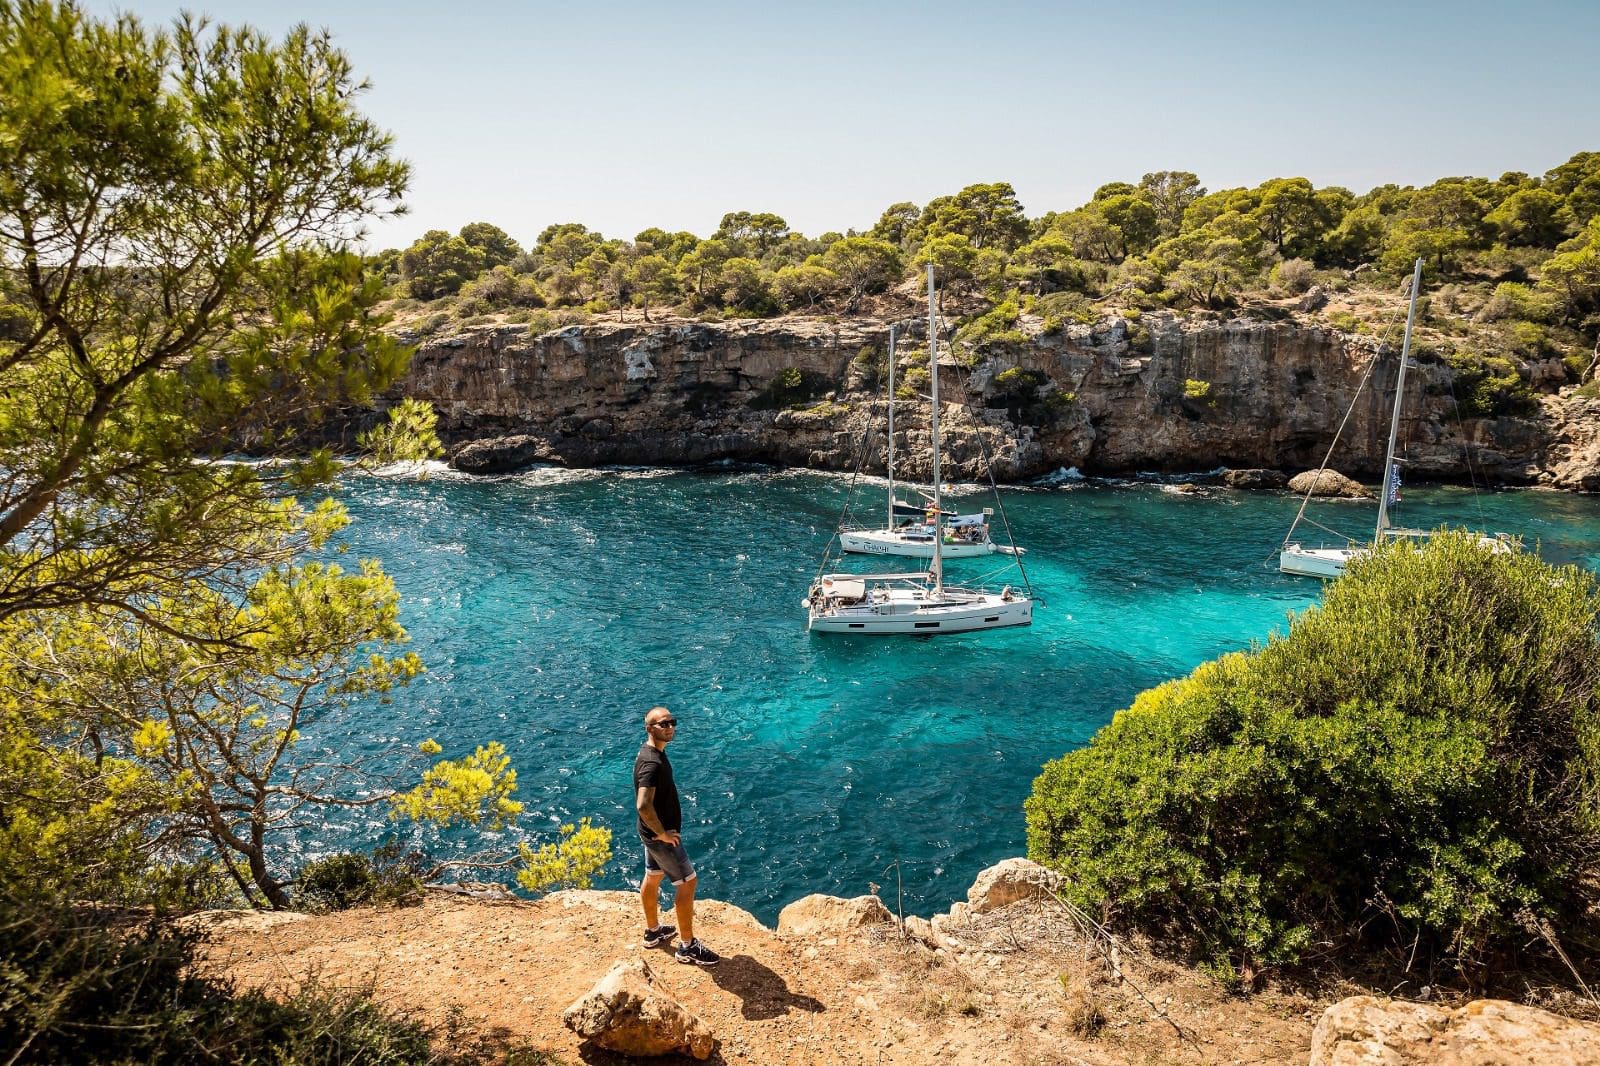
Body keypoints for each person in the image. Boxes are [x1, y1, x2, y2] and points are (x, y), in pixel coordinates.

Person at [634, 705, 720, 966]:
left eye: (672, 722)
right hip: (661, 838)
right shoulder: (652, 763)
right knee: (687, 883)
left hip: (650, 834)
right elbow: (643, 805)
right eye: (663, 724)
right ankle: (688, 946)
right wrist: (662, 833)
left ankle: (653, 931)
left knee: (653, 876)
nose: (670, 727)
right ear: (649, 728)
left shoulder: (651, 753)